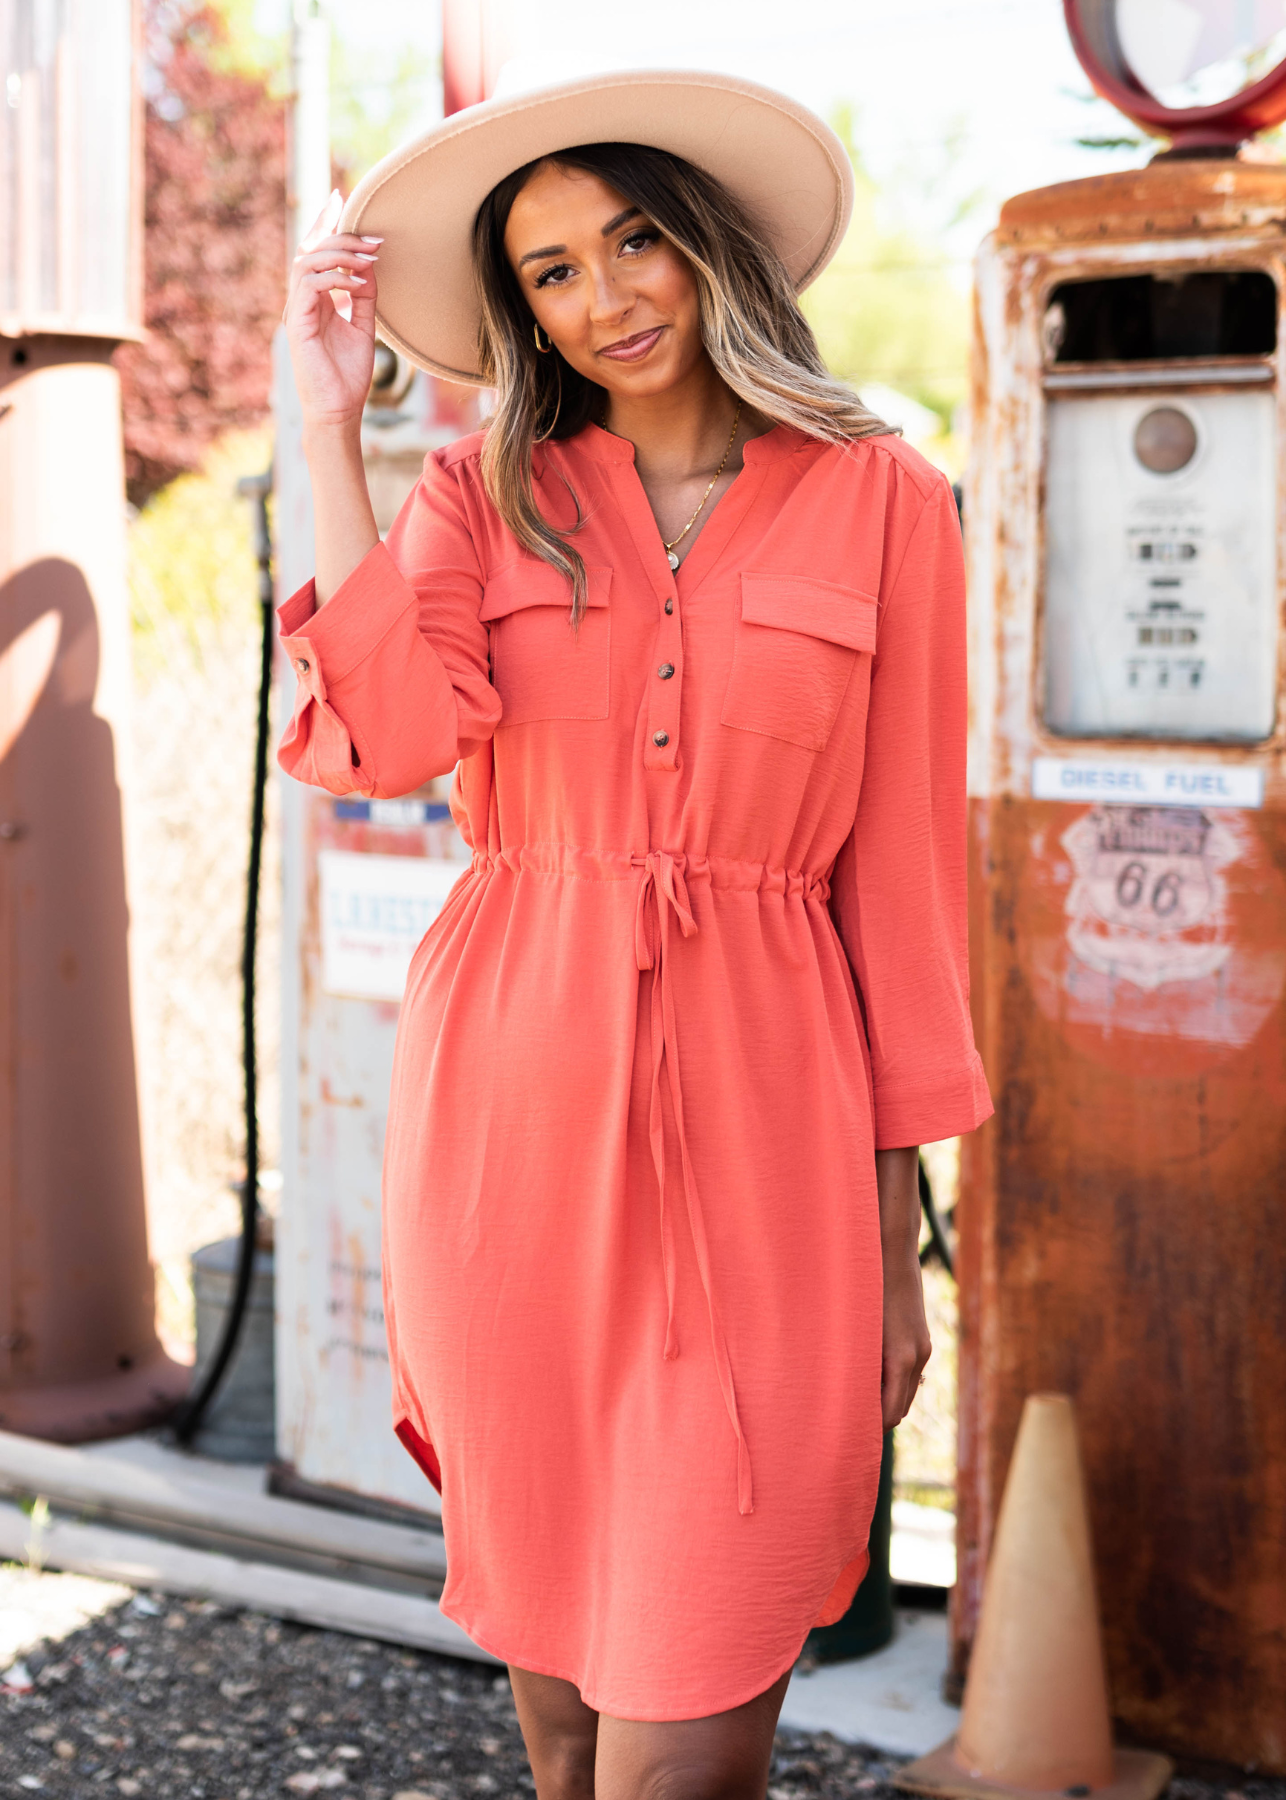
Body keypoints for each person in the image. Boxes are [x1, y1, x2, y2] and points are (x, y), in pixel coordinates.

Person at [279, 70, 992, 1800]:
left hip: (769, 1146)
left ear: (710, 245)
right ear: (521, 312)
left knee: (682, 1730)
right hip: (511, 1139)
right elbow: (374, 742)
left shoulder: (885, 498)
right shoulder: (477, 495)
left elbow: (898, 885)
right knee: (565, 1722)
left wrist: (899, 1238)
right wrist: (321, 430)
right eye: (549, 273)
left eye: (635, 238)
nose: (606, 297)